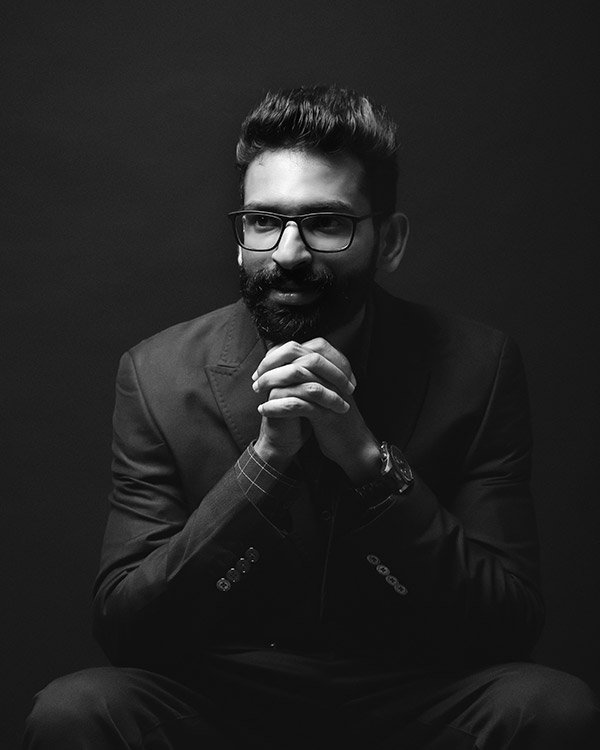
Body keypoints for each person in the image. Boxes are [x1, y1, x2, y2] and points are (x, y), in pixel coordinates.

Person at [23, 84, 599, 749]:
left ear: (390, 241)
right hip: (222, 699)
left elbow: (509, 625)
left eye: (326, 223)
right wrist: (264, 465)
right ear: (240, 238)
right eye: (263, 222)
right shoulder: (156, 374)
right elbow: (128, 628)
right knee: (75, 710)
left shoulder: (479, 366)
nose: (289, 254)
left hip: (412, 693)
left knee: (552, 707)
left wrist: (367, 462)